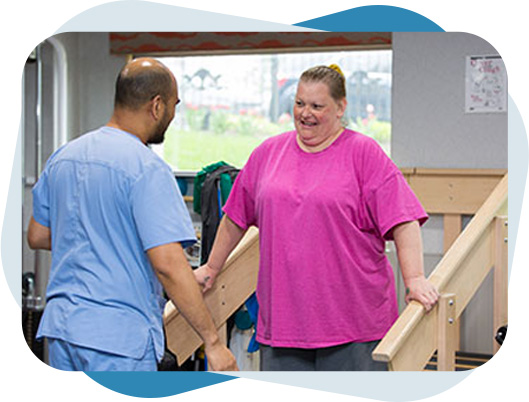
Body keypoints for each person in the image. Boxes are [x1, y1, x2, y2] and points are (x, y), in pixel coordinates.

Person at [194, 64, 439, 371]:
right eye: (299, 103)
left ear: (340, 108)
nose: (305, 113)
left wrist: (414, 279)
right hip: (283, 324)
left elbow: (404, 220)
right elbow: (236, 218)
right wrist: (212, 267)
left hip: (353, 325)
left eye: (316, 106)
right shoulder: (268, 153)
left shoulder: (364, 153)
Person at [27, 57, 238, 372]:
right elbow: (168, 266)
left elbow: (39, 235)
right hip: (117, 340)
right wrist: (213, 342)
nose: (172, 114)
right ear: (156, 106)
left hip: (62, 331)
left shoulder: (64, 156)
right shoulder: (146, 168)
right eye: (173, 105)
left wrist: (116, 246)